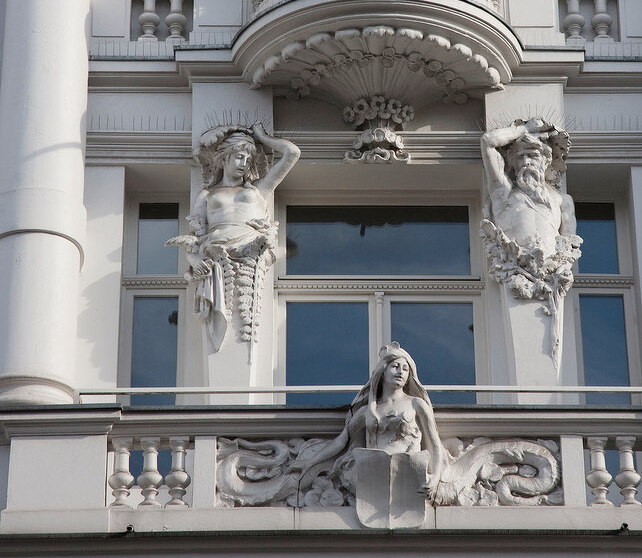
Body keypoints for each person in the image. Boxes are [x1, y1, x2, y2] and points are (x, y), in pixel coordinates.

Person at [169, 123, 300, 349]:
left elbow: (292, 153)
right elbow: (197, 235)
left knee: (245, 316)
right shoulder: (207, 194)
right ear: (225, 158)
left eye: (248, 160)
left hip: (251, 249)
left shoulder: (258, 190)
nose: (244, 164)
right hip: (217, 254)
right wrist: (193, 259)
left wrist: (262, 137)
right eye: (239, 157)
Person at [288, 343, 446, 498]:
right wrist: (309, 462)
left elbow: (435, 444)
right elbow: (341, 442)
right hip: (374, 478)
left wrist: (436, 475)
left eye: (405, 369)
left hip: (410, 475)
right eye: (395, 366)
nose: (400, 372)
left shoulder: (416, 404)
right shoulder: (366, 411)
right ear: (382, 371)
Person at [481, 117, 577, 256]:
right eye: (520, 157)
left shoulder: (562, 201)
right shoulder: (504, 193)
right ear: (513, 161)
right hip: (514, 272)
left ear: (546, 160)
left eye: (533, 156)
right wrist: (524, 129)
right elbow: (487, 141)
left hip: (550, 272)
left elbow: (568, 246)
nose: (526, 162)